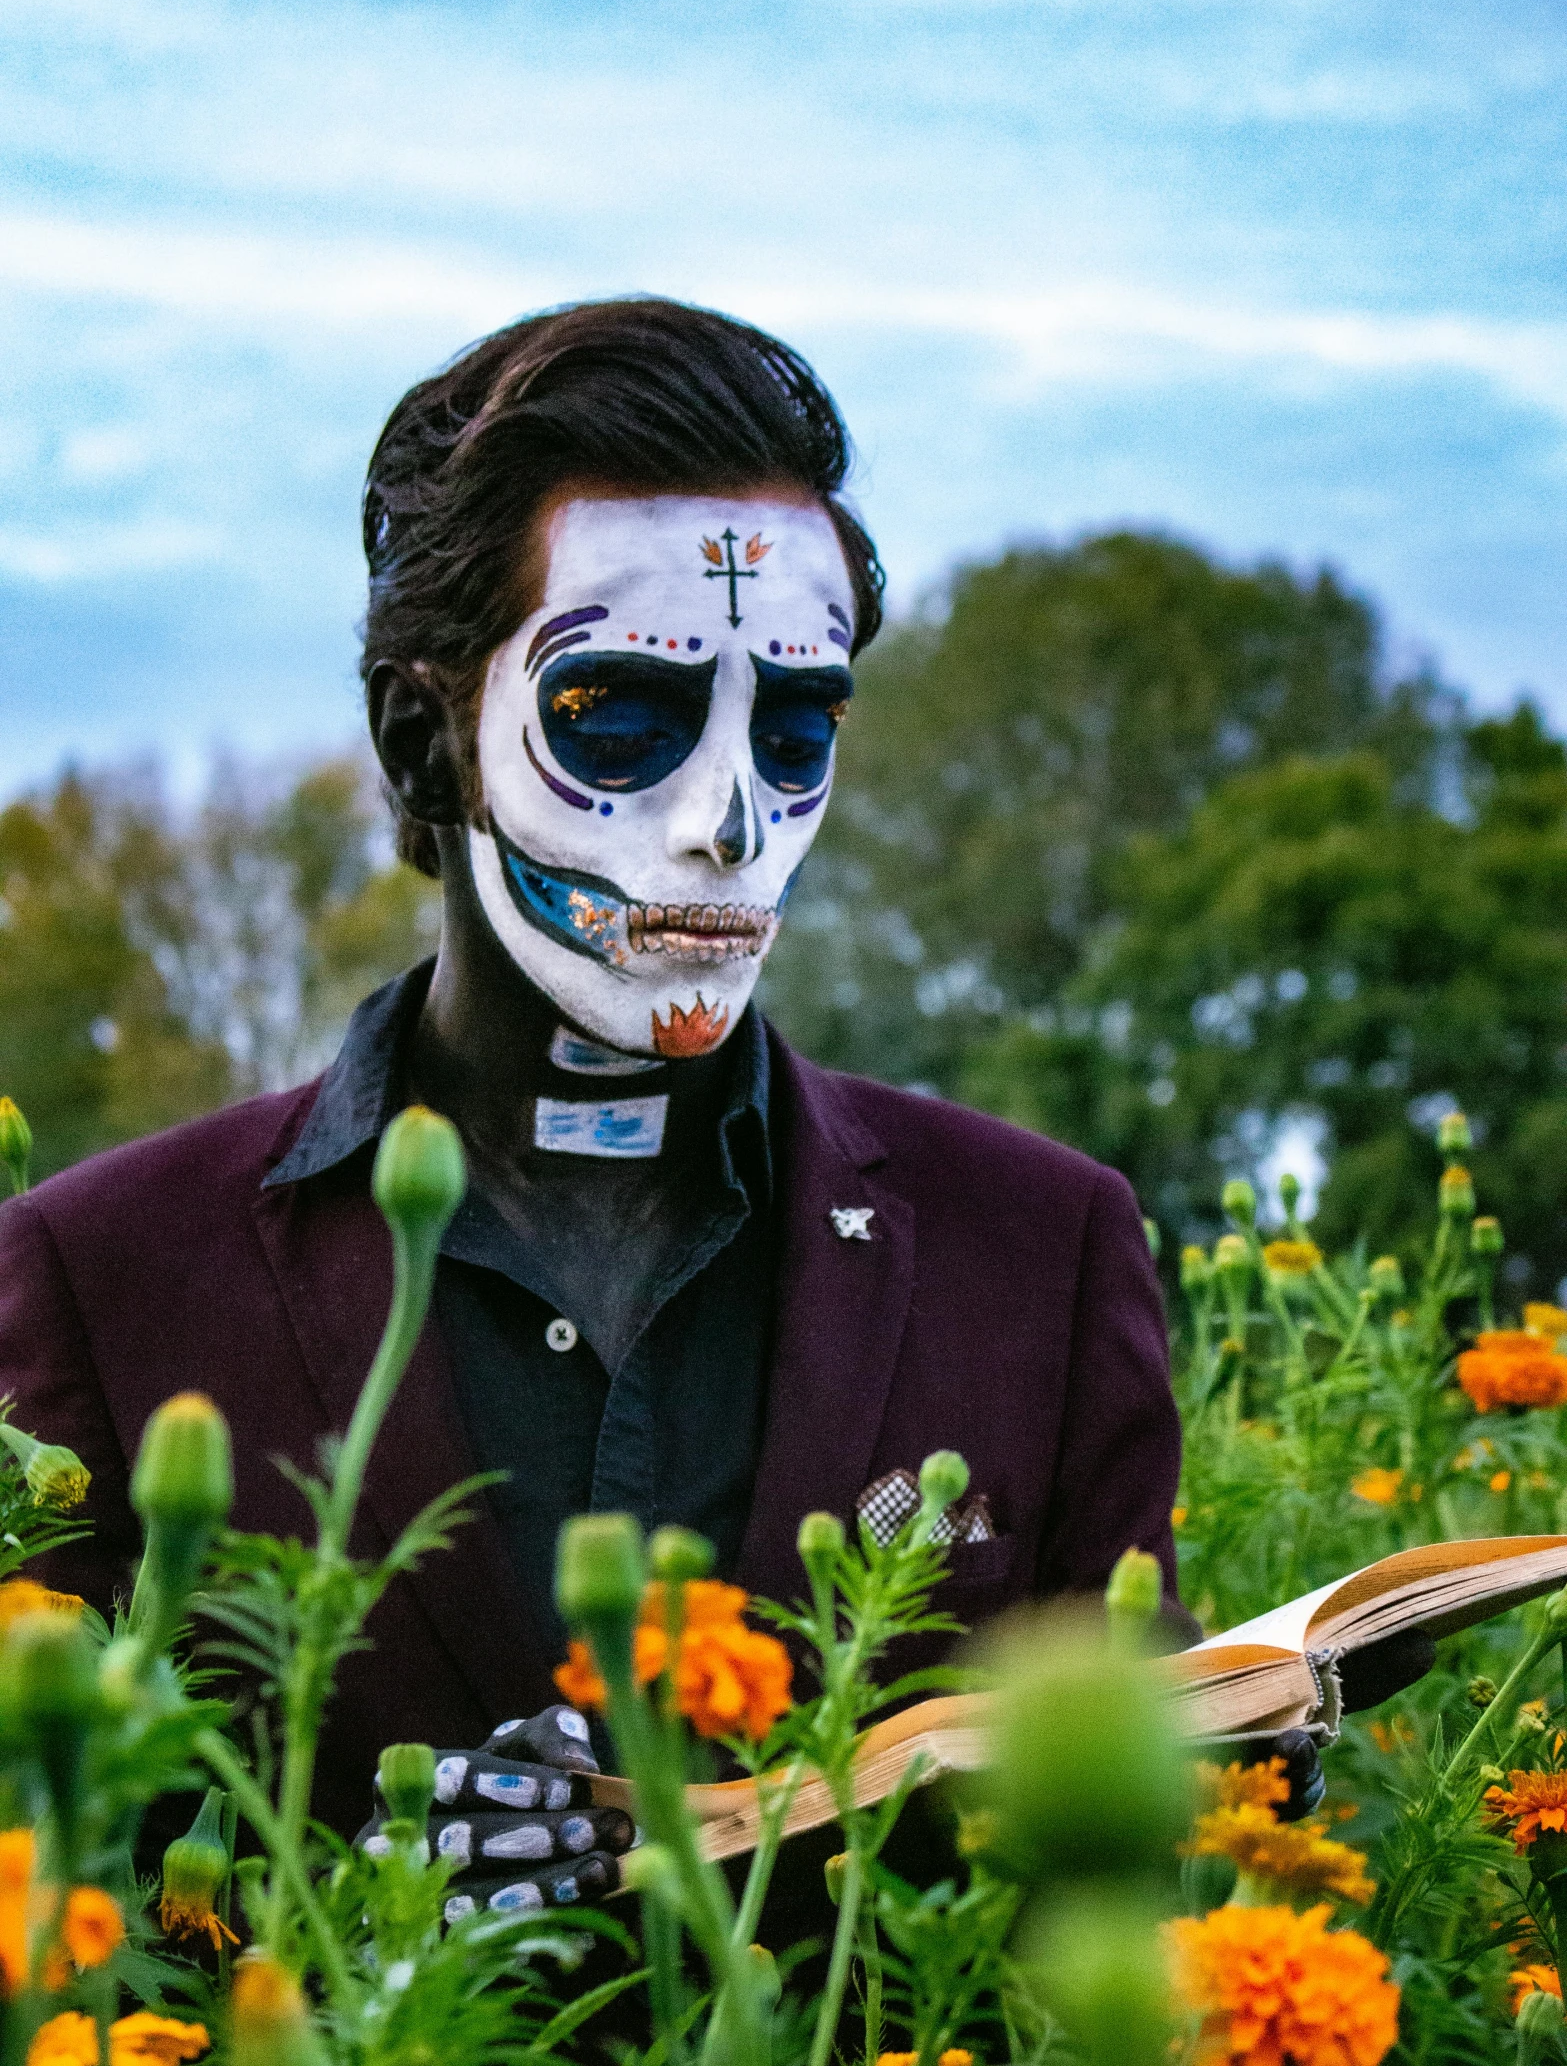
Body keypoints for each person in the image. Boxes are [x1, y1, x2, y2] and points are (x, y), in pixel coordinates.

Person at [0, 299, 1395, 1914]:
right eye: (623, 716)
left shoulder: (1040, 1247)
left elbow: (1114, 1883)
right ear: (420, 733)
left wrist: (1215, 1786)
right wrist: (326, 1915)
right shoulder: (111, 1278)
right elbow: (49, 1895)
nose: (730, 822)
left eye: (795, 724)